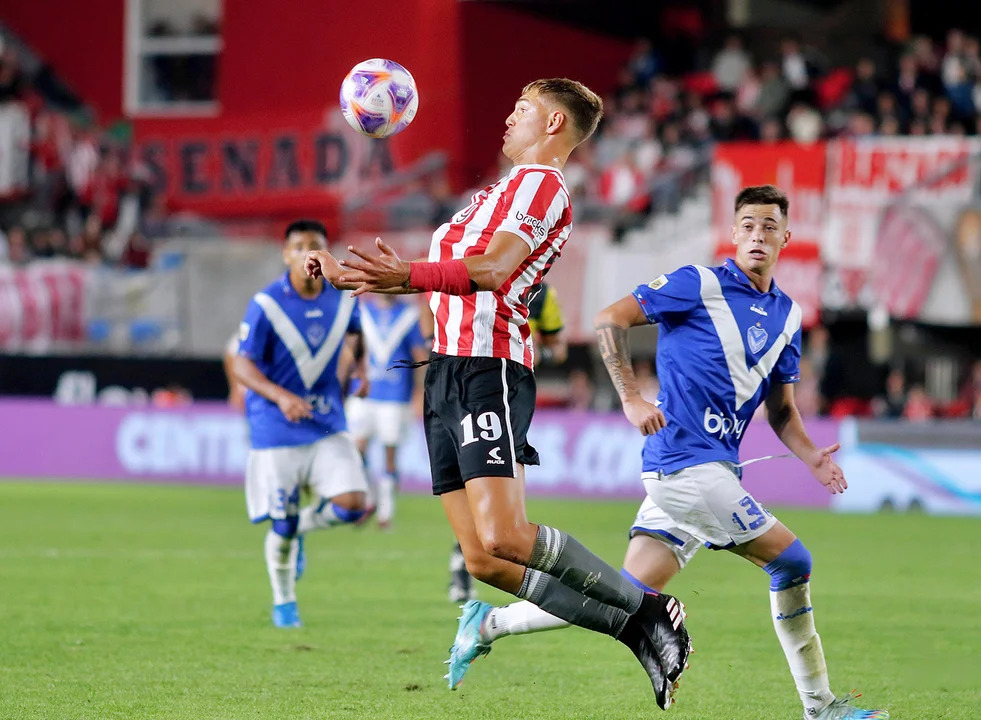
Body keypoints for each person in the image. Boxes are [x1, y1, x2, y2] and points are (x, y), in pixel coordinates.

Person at [304, 78, 690, 711]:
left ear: (556, 126)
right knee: (484, 562)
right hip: (447, 373)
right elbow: (445, 277)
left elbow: (492, 270)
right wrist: (364, 278)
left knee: (508, 536)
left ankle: (647, 608)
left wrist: (407, 273)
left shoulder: (543, 185)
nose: (507, 119)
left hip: (491, 367)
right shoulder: (497, 192)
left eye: (522, 111)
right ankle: (636, 626)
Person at [443, 185, 889, 720]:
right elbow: (610, 318)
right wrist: (630, 397)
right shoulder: (697, 283)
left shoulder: (788, 317)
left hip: (713, 468)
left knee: (626, 592)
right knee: (793, 561)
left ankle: (487, 624)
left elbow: (782, 412)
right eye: (747, 225)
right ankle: (822, 708)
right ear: (732, 233)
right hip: (684, 466)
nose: (757, 236)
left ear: (785, 238)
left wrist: (812, 456)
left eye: (769, 227)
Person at [231, 219, 371, 629]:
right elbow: (242, 363)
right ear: (286, 254)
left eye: (317, 245)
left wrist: (361, 369)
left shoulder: (344, 298)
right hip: (276, 426)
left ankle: (301, 529)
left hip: (326, 419)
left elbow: (356, 334)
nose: (308, 253)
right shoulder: (267, 304)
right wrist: (280, 396)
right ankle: (284, 603)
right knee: (283, 523)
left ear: (328, 253)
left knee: (353, 504)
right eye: (299, 246)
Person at [448, 281, 567, 602]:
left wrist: (530, 349)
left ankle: (473, 563)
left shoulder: (544, 294)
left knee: (498, 497)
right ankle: (464, 561)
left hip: (511, 394)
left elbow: (558, 348)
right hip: (469, 390)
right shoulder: (479, 281)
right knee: (472, 484)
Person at [345, 294, 429, 529]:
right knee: (356, 448)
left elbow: (420, 356)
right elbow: (351, 350)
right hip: (364, 393)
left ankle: (386, 513)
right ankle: (370, 499)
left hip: (395, 395)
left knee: (389, 454)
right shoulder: (363, 312)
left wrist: (420, 392)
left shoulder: (408, 315)